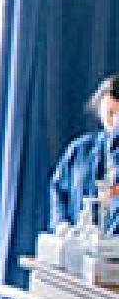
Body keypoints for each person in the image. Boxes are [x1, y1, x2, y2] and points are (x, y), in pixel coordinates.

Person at [49, 73, 119, 232]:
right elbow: (58, 189)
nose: (114, 121)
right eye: (110, 113)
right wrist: (61, 224)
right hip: (80, 243)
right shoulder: (80, 149)